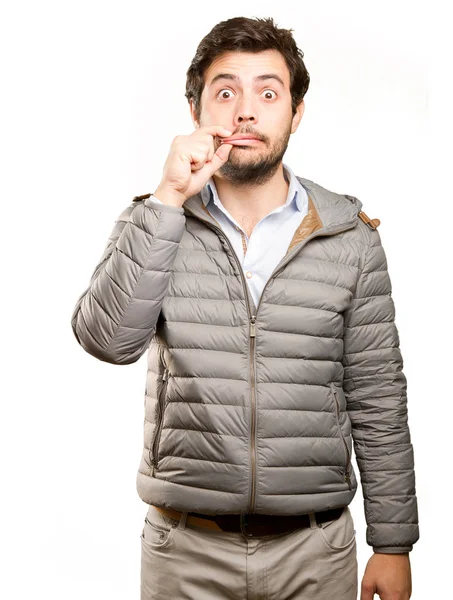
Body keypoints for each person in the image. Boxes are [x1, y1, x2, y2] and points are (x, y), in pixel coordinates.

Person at [71, 15, 419, 600]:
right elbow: (108, 341)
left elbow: (378, 396)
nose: (246, 112)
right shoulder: (154, 221)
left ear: (296, 112)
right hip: (183, 550)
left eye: (268, 92)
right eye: (226, 91)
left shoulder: (350, 238)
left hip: (315, 550)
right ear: (196, 111)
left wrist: (393, 543)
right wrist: (166, 201)